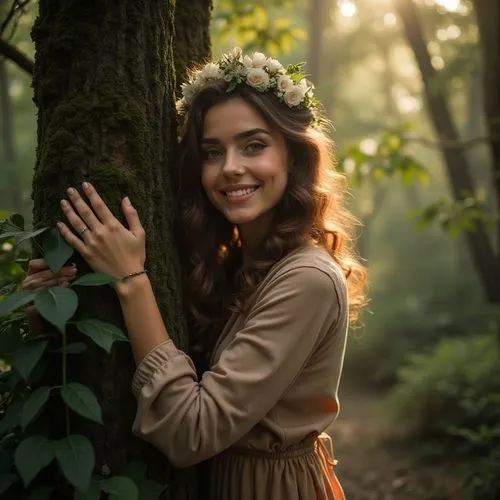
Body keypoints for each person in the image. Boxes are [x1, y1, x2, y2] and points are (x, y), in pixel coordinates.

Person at [23, 47, 367, 499]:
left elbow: (191, 432)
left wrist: (131, 280)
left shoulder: (307, 279)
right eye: (211, 152)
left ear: (294, 156)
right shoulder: (236, 261)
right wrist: (49, 308)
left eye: (254, 145)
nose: (230, 168)